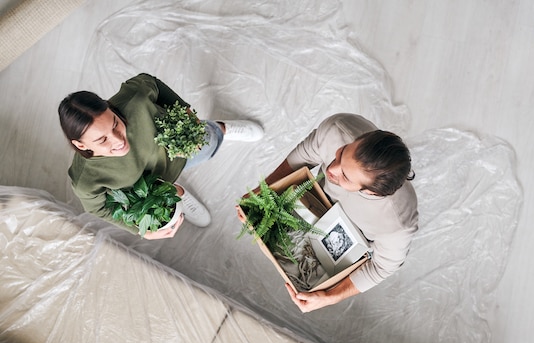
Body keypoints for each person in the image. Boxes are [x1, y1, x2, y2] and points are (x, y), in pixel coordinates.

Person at [59, 73, 263, 240]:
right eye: (102, 140)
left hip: (174, 150)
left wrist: (186, 111)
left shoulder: (134, 102)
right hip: (150, 189)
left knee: (208, 142)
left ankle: (221, 128)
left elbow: (150, 82)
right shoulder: (85, 180)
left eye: (115, 124)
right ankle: (179, 194)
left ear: (110, 108)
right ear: (80, 145)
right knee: (171, 197)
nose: (118, 140)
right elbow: (99, 209)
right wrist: (142, 232)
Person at [250, 113, 419, 312]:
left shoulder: (397, 225)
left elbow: (381, 267)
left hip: (350, 245)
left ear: (371, 192)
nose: (332, 168)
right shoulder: (338, 129)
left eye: (345, 176)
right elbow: (302, 157)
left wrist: (330, 297)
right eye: (342, 153)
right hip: (316, 205)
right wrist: (263, 191)